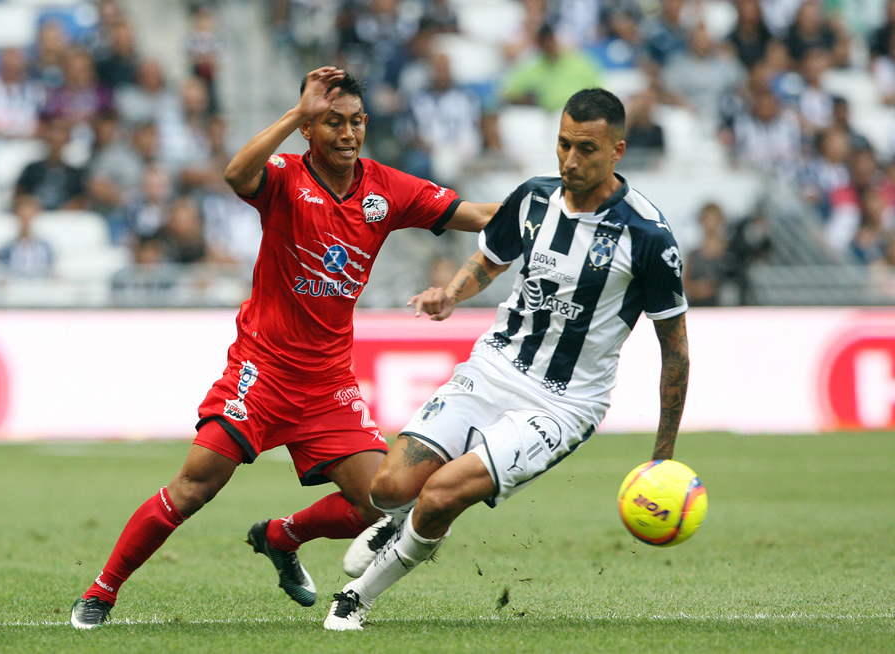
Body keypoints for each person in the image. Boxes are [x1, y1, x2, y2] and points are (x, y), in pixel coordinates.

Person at [69, 66, 499, 628]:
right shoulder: (284, 177)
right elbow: (234, 173)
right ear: (308, 130)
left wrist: (553, 211)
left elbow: (483, 217)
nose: (346, 135)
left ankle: (279, 536)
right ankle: (102, 591)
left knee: (378, 501)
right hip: (262, 370)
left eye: (355, 123)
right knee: (196, 486)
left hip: (327, 385)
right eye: (331, 123)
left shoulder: (387, 189)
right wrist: (298, 110)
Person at [323, 87, 690, 631]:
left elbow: (675, 353)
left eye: (586, 149)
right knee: (387, 488)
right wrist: (451, 292)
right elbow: (490, 259)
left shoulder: (649, 237)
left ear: (617, 150)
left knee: (441, 495)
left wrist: (662, 456)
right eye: (563, 145)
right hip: (492, 368)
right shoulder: (534, 198)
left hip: (562, 404)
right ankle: (399, 521)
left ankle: (356, 597)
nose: (570, 160)